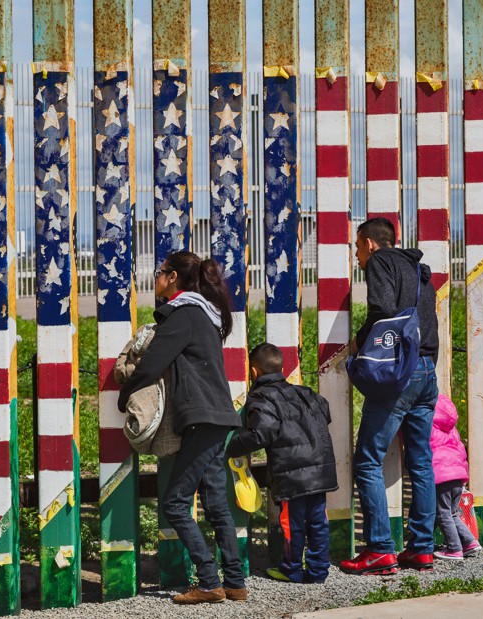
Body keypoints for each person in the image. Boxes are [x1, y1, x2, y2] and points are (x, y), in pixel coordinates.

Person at [118, 251, 246, 604]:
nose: (156, 279)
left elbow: (151, 365)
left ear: (172, 277)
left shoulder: (183, 314)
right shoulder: (204, 314)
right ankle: (235, 582)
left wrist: (124, 394)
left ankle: (208, 582)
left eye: (160, 273)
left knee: (175, 503)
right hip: (218, 417)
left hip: (203, 418)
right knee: (216, 503)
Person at [341, 217, 439, 575]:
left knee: (367, 460)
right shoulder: (418, 267)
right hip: (427, 370)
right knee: (421, 461)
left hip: (400, 374)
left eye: (356, 248)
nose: (356, 256)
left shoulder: (381, 262)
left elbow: (382, 310)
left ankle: (380, 549)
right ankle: (421, 549)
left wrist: (358, 342)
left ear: (369, 243)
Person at [226, 343, 338, 584]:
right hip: (320, 471)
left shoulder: (262, 397)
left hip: (291, 476)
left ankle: (292, 568)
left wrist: (230, 446)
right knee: (318, 522)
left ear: (254, 373)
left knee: (291, 524)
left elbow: (260, 434)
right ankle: (319, 571)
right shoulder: (305, 393)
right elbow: (325, 412)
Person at [430, 394, 481, 560]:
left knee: (443, 514)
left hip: (441, 477)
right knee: (452, 513)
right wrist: (463, 476)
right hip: (457, 477)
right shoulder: (452, 430)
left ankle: (453, 548)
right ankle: (469, 542)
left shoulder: (428, 426)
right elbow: (461, 452)